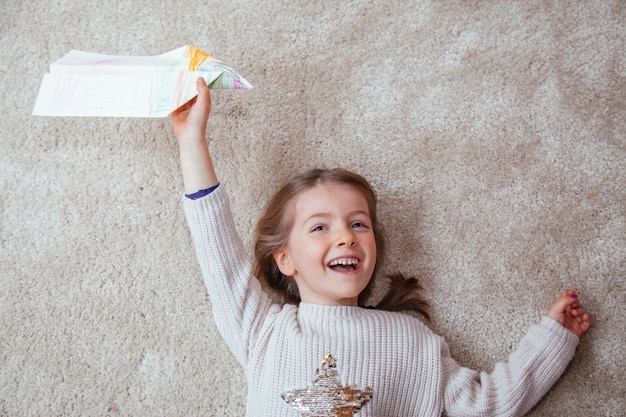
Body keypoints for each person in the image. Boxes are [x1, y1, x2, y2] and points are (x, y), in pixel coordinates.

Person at [171, 78, 591, 417]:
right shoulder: (263, 331)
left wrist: (553, 337)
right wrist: (193, 143)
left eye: (358, 224)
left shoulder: (410, 340)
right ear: (285, 259)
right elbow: (218, 254)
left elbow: (488, 405)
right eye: (320, 227)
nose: (345, 236)